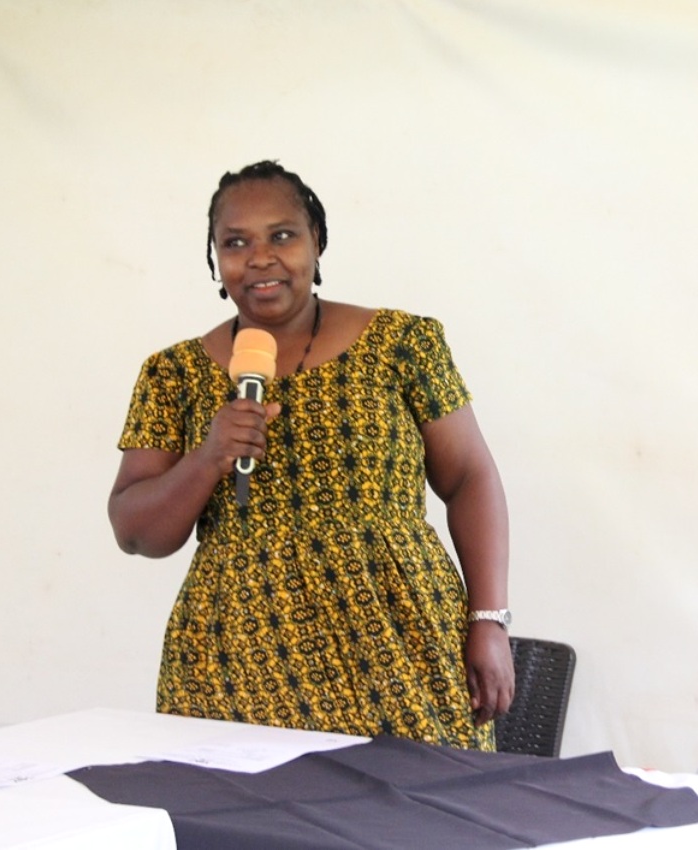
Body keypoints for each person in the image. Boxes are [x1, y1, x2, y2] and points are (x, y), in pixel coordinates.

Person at [108, 160, 514, 750]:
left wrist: (489, 620)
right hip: (236, 660)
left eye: (282, 235)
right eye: (236, 242)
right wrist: (207, 457)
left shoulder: (404, 343)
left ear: (316, 242)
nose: (261, 257)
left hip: (398, 642)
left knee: (417, 822)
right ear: (216, 261)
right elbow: (136, 532)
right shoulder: (172, 375)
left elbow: (470, 477)